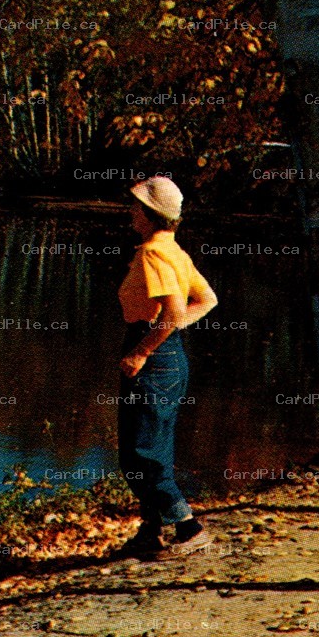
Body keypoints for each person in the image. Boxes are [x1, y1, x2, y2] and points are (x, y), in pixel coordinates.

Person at [114, 175, 219, 559]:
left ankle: (189, 528)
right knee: (153, 447)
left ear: (149, 213)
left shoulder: (153, 254)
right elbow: (207, 300)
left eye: (136, 205)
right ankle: (149, 532)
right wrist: (169, 333)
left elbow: (175, 309)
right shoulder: (173, 250)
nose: (131, 210)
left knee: (139, 453)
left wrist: (144, 348)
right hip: (170, 354)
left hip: (153, 356)